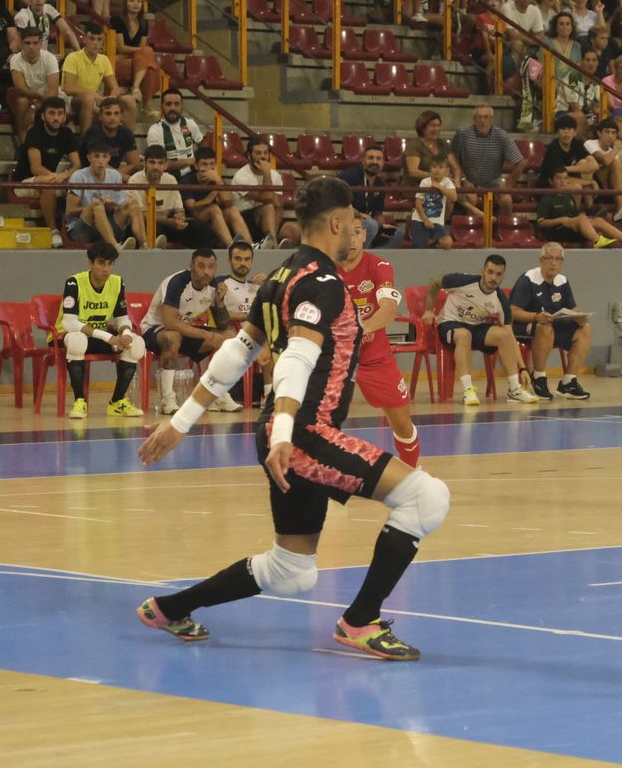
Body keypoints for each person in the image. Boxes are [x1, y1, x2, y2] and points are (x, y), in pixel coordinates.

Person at [138, 177, 451, 661]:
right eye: (354, 221)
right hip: (303, 435)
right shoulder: (323, 283)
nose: (359, 230)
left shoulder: (281, 276)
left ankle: (167, 609)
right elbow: (296, 360)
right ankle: (360, 622)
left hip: (285, 434)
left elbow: (238, 352)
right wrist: (286, 434)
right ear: (336, 223)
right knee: (426, 497)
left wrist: (181, 421)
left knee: (291, 570)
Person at [338, 215, 421, 467]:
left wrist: (358, 332)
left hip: (374, 359)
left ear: (365, 235)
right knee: (322, 422)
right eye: (346, 233)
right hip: (337, 360)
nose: (352, 240)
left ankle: (411, 472)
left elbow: (388, 311)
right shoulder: (326, 269)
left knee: (402, 423)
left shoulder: (379, 266)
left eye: (357, 232)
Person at [424, 256, 540, 407]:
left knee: (504, 335)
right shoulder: (463, 281)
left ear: (503, 276)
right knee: (464, 335)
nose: (493, 278)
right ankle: (468, 390)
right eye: (490, 272)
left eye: (498, 274)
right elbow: (435, 282)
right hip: (449, 323)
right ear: (482, 271)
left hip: (476, 327)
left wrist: (523, 368)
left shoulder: (500, 299)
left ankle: (514, 389)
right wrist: (429, 310)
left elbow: (510, 336)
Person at [141, 248, 243, 413]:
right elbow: (170, 323)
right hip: (155, 330)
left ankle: (217, 394)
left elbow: (223, 324)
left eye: (211, 267)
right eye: (201, 266)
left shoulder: (213, 285)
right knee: (172, 337)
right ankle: (168, 399)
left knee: (229, 335)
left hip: (184, 332)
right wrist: (206, 334)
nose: (206, 271)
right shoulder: (177, 282)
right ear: (191, 266)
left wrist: (220, 301)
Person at [58, 240, 147, 419]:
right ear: (90, 263)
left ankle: (117, 402)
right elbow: (69, 322)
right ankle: (80, 402)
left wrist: (126, 334)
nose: (106, 269)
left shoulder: (117, 282)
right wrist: (108, 337)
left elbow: (122, 318)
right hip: (68, 335)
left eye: (110, 264)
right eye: (101, 263)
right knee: (77, 340)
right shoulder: (74, 282)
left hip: (99, 337)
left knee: (136, 344)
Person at [509, 244, 593, 401]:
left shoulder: (562, 281)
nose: (554, 263)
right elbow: (513, 311)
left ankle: (568, 382)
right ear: (541, 260)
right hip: (526, 327)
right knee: (545, 327)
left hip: (554, 327)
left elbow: (573, 308)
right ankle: (538, 377)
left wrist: (578, 317)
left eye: (558, 259)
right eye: (550, 258)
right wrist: (536, 316)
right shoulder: (528, 279)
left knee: (585, 329)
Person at [17, 96, 79, 245]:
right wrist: (57, 177)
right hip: (24, 182)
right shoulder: (34, 133)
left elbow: (77, 165)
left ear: (64, 116)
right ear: (43, 116)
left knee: (77, 182)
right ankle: (53, 231)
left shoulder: (67, 133)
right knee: (49, 184)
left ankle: (74, 228)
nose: (56, 118)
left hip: (52, 179)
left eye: (60, 113)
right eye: (51, 113)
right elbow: (36, 168)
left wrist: (64, 175)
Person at [66, 145, 146, 248]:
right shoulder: (78, 176)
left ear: (108, 158)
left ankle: (145, 244)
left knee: (132, 204)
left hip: (107, 226)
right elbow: (70, 210)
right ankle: (115, 246)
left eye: (104, 156)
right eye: (96, 156)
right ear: (89, 158)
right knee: (97, 205)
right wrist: (96, 206)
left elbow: (119, 206)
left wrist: (112, 205)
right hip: (81, 230)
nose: (100, 161)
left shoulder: (115, 175)